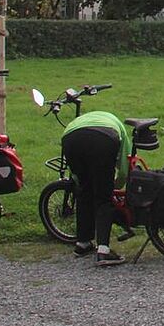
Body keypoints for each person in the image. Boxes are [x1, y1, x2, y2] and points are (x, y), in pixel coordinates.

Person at [60, 108, 134, 265]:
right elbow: (124, 167)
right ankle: (103, 251)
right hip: (104, 139)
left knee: (84, 192)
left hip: (70, 137)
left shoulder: (79, 122)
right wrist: (115, 185)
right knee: (103, 198)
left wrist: (79, 180)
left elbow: (75, 175)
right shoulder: (118, 127)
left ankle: (83, 243)